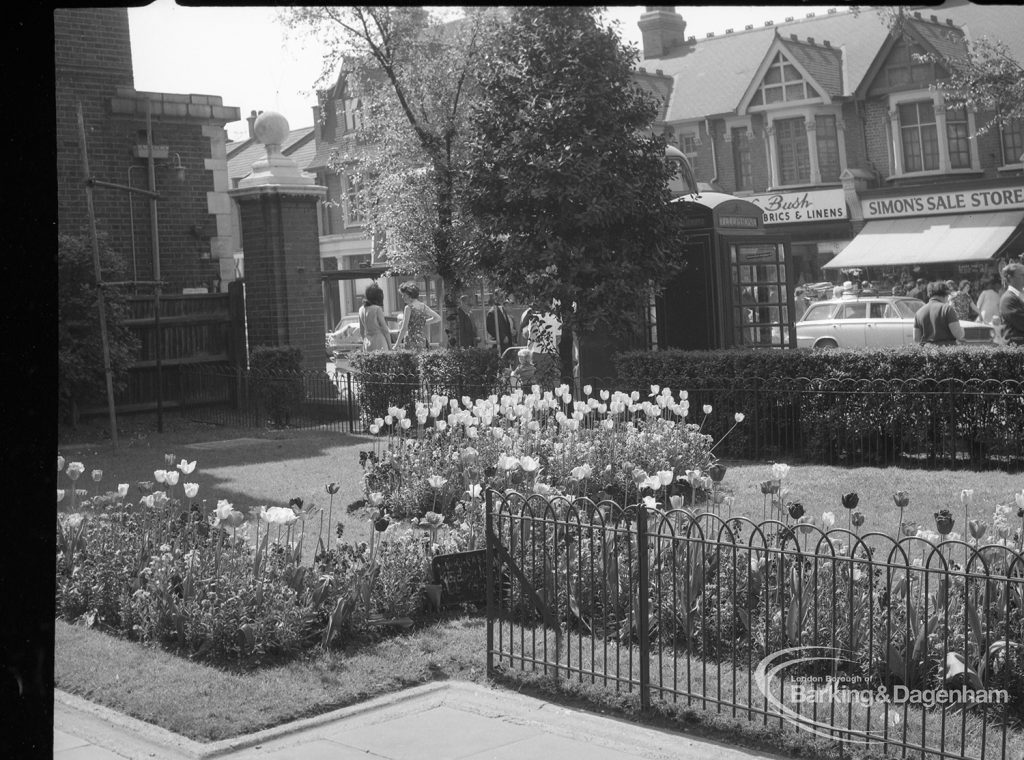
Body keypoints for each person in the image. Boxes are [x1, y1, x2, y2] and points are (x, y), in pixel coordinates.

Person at [519, 300, 562, 388]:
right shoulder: (555, 318)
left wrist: (528, 349)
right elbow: (558, 339)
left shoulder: (534, 318)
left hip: (537, 353)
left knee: (538, 381)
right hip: (551, 353)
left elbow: (532, 337)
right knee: (552, 380)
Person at [392, 281, 441, 353]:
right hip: (422, 340)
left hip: (411, 340)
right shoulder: (423, 306)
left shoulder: (408, 308)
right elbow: (438, 318)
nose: (402, 297)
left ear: (410, 295)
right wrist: (420, 323)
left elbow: (404, 328)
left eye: (404, 295)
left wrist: (396, 345)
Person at [913, 281, 964, 345]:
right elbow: (958, 334)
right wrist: (962, 330)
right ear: (945, 294)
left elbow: (916, 339)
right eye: (948, 295)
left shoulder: (918, 312)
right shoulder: (947, 309)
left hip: (926, 352)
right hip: (946, 351)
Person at [357, 283, 393, 352]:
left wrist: (365, 342)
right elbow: (385, 330)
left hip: (367, 341)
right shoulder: (377, 309)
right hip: (379, 341)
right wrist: (390, 346)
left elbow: (361, 332)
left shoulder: (361, 309)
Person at [998, 262, 1024, 345]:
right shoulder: (1008, 299)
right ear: (1011, 278)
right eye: (1022, 275)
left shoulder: (1020, 295)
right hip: (1016, 349)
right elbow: (1021, 322)